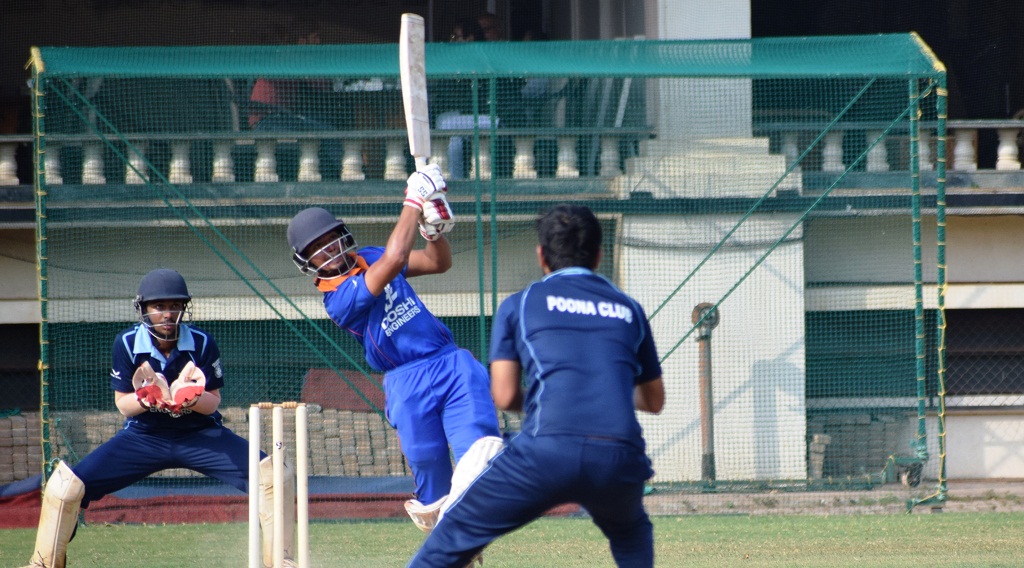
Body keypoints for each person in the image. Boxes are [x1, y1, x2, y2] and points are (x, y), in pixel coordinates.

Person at [408, 204, 666, 568]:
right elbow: (654, 401)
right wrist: (598, 392)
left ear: (542, 256)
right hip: (617, 454)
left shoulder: (520, 304)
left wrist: (561, 398)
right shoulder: (629, 308)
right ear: (598, 254)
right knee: (631, 534)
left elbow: (504, 395)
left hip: (547, 450)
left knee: (451, 537)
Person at [19, 268, 297, 568]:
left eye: (175, 306)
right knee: (66, 488)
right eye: (159, 307)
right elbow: (123, 405)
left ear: (184, 308)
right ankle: (43, 564)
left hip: (200, 435)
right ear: (144, 309)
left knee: (274, 477)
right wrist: (145, 397)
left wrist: (190, 398)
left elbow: (214, 401)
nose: (167, 314)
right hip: (143, 437)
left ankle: (281, 563)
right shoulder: (126, 343)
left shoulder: (202, 343)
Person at [286, 164, 502, 534]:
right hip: (405, 382)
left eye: (331, 238)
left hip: (449, 363)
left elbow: (438, 262)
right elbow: (396, 259)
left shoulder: (369, 254)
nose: (329, 250)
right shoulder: (337, 300)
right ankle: (448, 547)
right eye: (317, 249)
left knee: (478, 457)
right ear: (308, 262)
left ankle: (467, 531)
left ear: (344, 234)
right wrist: (415, 199)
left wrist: (433, 232)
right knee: (430, 472)